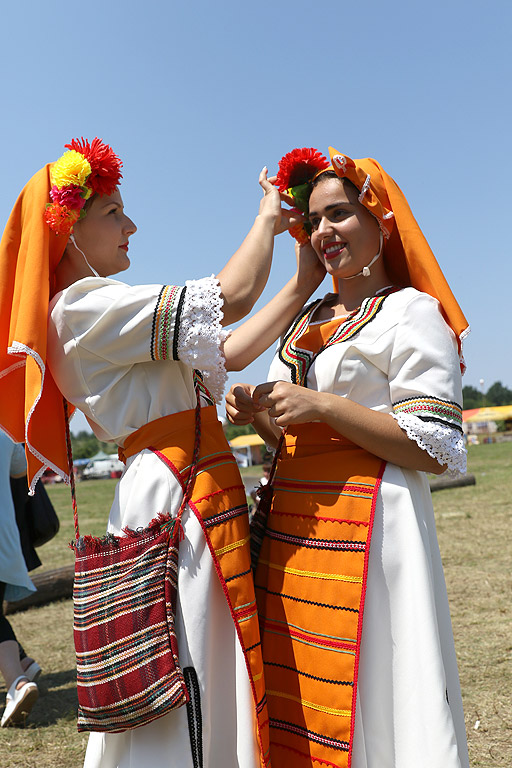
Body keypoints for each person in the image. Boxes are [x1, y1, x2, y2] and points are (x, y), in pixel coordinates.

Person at [0, 138, 323, 767]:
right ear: (68, 231)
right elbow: (226, 298)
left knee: (202, 651)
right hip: (176, 488)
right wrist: (265, 219)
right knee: (189, 657)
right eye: (114, 213)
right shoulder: (80, 307)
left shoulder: (94, 310)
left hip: (185, 477)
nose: (132, 225)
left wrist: (302, 279)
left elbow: (223, 351)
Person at [225, 147, 470, 768]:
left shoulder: (412, 312)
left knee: (374, 688)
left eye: (339, 214)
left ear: (380, 218)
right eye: (313, 221)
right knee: (302, 686)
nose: (323, 231)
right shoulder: (307, 319)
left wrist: (323, 406)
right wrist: (260, 411)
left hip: (375, 530)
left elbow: (433, 446)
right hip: (295, 532)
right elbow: (295, 439)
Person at [0, 432, 41, 726]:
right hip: (4, 539)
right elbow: (19, 467)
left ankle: (16, 682)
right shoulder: (3, 426)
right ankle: (22, 665)